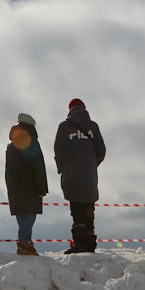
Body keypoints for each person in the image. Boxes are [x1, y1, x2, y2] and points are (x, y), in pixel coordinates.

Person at [53, 98, 106, 254]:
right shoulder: (93, 127)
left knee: (76, 210)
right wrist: (90, 165)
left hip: (72, 176)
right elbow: (101, 151)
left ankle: (80, 243)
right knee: (89, 210)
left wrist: (63, 168)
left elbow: (58, 151)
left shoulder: (64, 127)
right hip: (89, 176)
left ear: (70, 109)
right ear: (84, 108)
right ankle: (90, 243)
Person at [5, 113, 48, 256]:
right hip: (30, 186)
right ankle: (24, 244)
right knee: (29, 215)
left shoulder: (11, 146)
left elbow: (8, 170)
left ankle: (26, 242)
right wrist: (42, 188)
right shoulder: (32, 141)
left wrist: (10, 187)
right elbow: (38, 165)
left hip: (15, 187)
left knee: (22, 216)